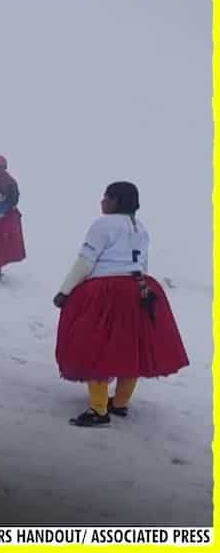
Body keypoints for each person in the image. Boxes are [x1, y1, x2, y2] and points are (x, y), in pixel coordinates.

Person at [53, 182, 189, 427]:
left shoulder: (103, 225)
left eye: (106, 197)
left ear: (116, 201)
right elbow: (142, 264)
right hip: (140, 288)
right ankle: (120, 402)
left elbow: (85, 262)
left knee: (95, 346)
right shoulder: (141, 228)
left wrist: (65, 291)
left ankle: (98, 409)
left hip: (107, 291)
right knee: (130, 346)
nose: (102, 201)